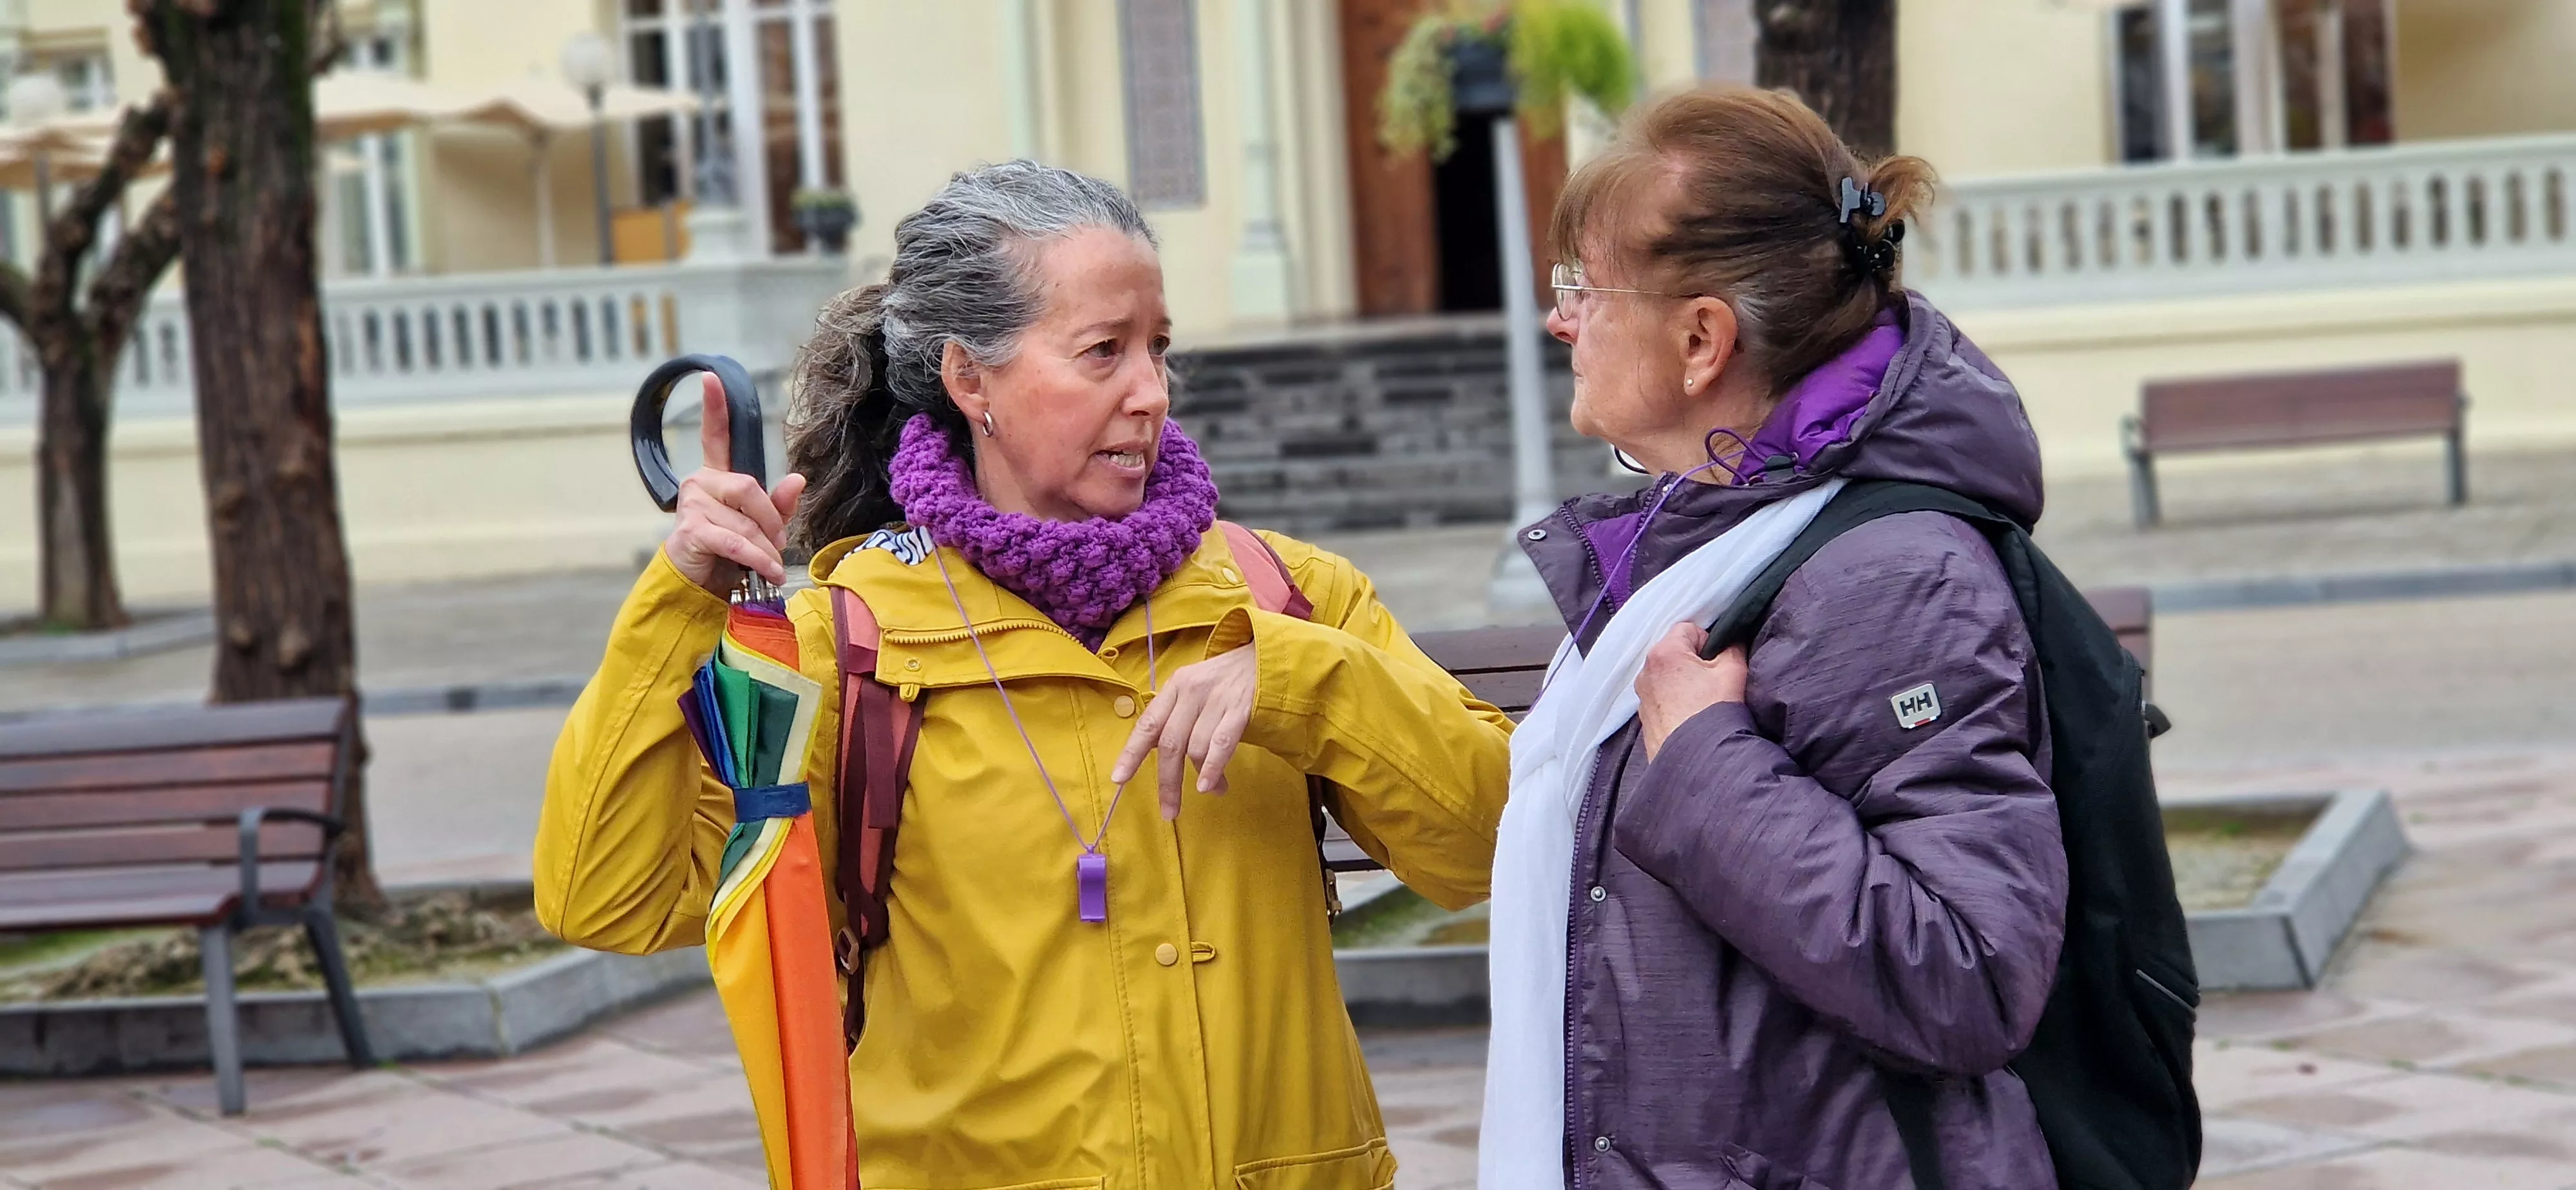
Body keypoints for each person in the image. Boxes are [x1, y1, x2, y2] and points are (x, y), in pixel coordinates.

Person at [536, 161, 1510, 1189]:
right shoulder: (845, 644)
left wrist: (1305, 686)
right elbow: (608, 900)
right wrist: (680, 601)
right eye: (1103, 352)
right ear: (970, 379)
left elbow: (1493, 853)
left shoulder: (1287, 599)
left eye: (1158, 348)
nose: (1152, 392)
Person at [1481, 88, 2068, 1189]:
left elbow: (1969, 979)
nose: (1562, 320)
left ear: (1703, 338)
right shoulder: (1705, 542)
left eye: (1585, 288)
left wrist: (1707, 762)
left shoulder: (1893, 577)